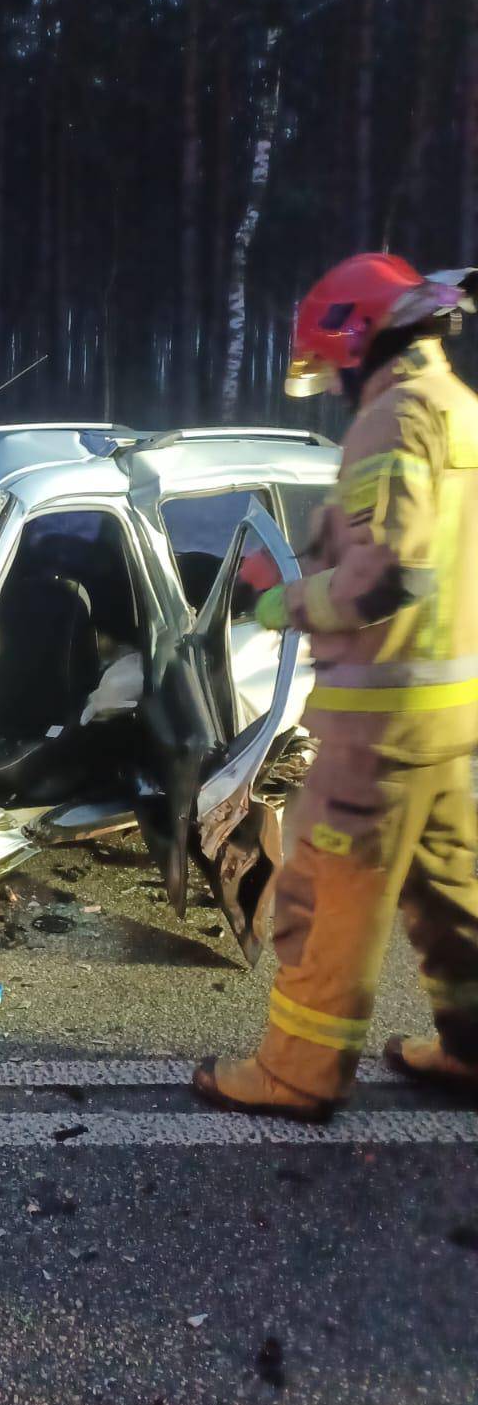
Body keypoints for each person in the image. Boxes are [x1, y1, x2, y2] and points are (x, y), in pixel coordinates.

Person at [192, 253, 478, 1123]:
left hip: (378, 723)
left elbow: (392, 575)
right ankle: (472, 1047)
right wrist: (308, 557)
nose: (336, 384)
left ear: (358, 338)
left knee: (325, 903)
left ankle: (297, 1075)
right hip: (446, 714)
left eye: (333, 364)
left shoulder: (395, 418)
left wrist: (289, 601)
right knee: (450, 894)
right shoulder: (457, 408)